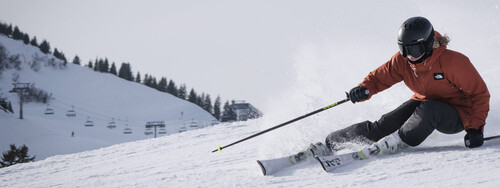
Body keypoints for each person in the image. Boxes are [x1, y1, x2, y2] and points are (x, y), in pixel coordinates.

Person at [308, 16, 490, 158]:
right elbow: (379, 78)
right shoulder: (403, 61)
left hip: (458, 114)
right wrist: (364, 88)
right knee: (383, 125)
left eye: (414, 50)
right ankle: (331, 143)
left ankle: (397, 141)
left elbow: (479, 95)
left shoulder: (454, 62)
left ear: (427, 45)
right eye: (404, 49)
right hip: (423, 102)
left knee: (430, 108)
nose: (409, 56)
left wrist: (475, 129)